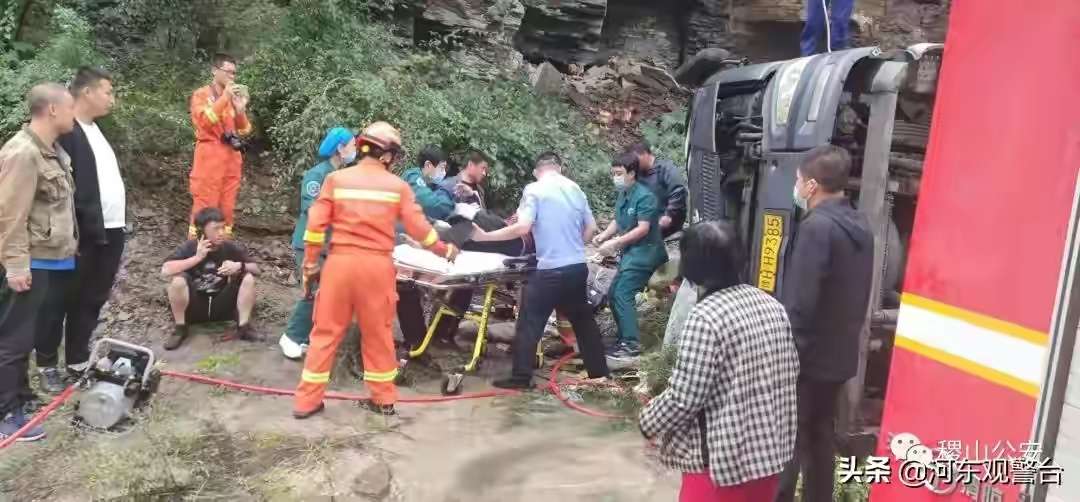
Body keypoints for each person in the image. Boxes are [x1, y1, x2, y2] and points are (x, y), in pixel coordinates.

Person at [293, 122, 458, 419]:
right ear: (387, 155)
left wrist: (310, 265)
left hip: (339, 266)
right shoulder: (398, 188)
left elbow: (315, 229)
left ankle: (307, 402)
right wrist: (446, 250)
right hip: (377, 269)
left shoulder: (335, 180)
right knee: (378, 334)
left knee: (325, 333)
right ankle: (383, 400)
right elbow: (421, 230)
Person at [639, 221, 799, 502]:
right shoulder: (771, 304)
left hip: (722, 466)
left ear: (692, 266)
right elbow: (789, 373)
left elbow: (684, 397)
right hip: (769, 458)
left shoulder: (705, 317)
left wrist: (649, 422)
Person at [775, 145, 873, 502]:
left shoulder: (818, 227)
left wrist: (783, 357)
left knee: (788, 436)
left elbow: (800, 303)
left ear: (812, 185)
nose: (797, 187)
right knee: (819, 434)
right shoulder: (859, 224)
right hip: (839, 355)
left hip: (808, 357)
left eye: (799, 180)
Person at [472, 152, 609, 389]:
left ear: (537, 171)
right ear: (559, 167)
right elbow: (592, 228)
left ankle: (521, 378)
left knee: (529, 322)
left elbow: (522, 226)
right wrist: (572, 246)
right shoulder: (576, 189)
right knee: (583, 321)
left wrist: (485, 237)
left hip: (550, 271)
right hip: (577, 266)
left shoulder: (534, 189)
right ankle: (599, 373)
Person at [26, 67, 123, 395]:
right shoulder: (67, 132)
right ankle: (46, 364)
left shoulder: (96, 130)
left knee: (92, 297)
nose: (112, 98)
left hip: (110, 229)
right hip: (79, 233)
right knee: (58, 299)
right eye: (107, 91)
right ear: (87, 93)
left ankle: (79, 359)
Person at [0, 82, 78, 441]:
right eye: (70, 107)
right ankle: (5, 413)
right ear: (52, 110)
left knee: (29, 336)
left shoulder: (53, 152)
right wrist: (15, 264)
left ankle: (21, 396)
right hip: (30, 262)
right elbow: (9, 214)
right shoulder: (22, 153)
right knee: (13, 340)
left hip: (52, 260)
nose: (73, 114)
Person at [279, 127, 356, 360]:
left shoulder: (342, 176)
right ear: (340, 148)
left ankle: (308, 336)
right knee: (311, 291)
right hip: (309, 243)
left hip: (330, 244)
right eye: (352, 145)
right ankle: (291, 336)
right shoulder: (317, 175)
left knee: (328, 293)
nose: (355, 150)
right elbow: (312, 209)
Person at [592, 152, 668, 363]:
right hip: (631, 253)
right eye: (613, 173)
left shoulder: (645, 196)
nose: (615, 178)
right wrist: (604, 235)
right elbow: (618, 220)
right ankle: (624, 339)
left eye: (619, 173)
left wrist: (616, 243)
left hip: (646, 252)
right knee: (614, 292)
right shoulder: (625, 193)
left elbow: (643, 229)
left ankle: (631, 345)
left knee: (623, 293)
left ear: (632, 173)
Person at [161, 207, 261, 350]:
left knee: (248, 277)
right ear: (202, 230)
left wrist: (239, 265)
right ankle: (180, 329)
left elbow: (257, 269)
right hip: (195, 306)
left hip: (222, 305)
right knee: (177, 281)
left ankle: (243, 327)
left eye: (223, 228)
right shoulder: (189, 247)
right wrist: (196, 258)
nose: (221, 233)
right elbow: (166, 270)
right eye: (216, 229)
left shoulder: (229, 248)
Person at [188, 53, 252, 239]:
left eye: (234, 73)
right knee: (205, 204)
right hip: (209, 156)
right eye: (228, 72)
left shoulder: (233, 99)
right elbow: (205, 122)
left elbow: (245, 129)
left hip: (231, 157)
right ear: (215, 71)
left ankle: (223, 253)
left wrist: (240, 111)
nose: (232, 77)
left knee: (227, 206)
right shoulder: (201, 95)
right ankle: (195, 253)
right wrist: (225, 97)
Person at [627, 142, 687, 239]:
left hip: (666, 221)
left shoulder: (666, 169)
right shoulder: (637, 174)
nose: (634, 164)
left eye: (635, 160)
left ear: (645, 154)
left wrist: (669, 214)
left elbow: (678, 190)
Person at [401, 145, 453, 221]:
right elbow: (430, 204)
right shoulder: (412, 177)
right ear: (428, 165)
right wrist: (454, 208)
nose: (444, 173)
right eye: (442, 168)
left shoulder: (432, 184)